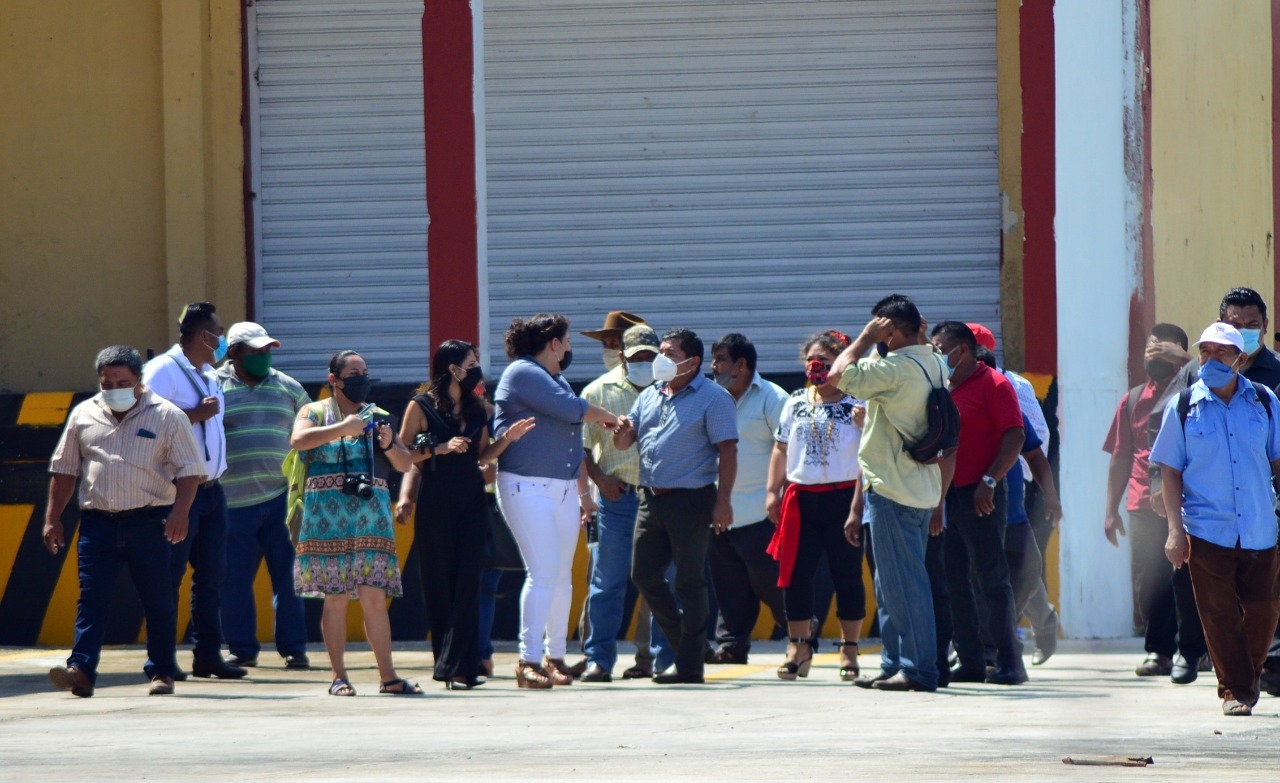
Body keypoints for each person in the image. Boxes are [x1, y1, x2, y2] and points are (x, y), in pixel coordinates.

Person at [45, 346, 205, 697]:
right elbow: (64, 470)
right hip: (98, 524)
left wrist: (180, 513)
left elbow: (191, 471)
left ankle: (162, 671)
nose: (115, 388)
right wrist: (52, 518)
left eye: (123, 382)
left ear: (139, 380)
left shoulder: (167, 415)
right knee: (92, 599)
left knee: (158, 599)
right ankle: (81, 670)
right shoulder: (83, 414)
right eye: (107, 383)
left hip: (150, 522)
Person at [1149, 287, 1279, 683]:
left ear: (1242, 356)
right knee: (1214, 609)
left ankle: (1255, 669)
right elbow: (1168, 456)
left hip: (1260, 521)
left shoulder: (1268, 394)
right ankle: (1230, 683)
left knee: (1262, 608)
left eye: (1222, 352)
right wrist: (1173, 525)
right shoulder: (1188, 393)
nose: (1211, 359)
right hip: (1206, 523)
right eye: (1205, 351)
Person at [395, 340, 534, 690]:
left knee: (469, 582)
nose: (476, 367)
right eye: (471, 362)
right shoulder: (421, 404)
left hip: (471, 498)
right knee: (440, 582)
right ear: (453, 369)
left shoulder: (476, 408)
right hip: (436, 497)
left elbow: (485, 455)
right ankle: (447, 664)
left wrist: (509, 439)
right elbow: (401, 453)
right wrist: (439, 448)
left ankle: (464, 667)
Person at [493, 314, 622, 689]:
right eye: (566, 341)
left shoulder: (557, 380)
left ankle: (555, 658)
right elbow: (573, 411)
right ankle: (528, 660)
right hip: (525, 486)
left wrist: (584, 495)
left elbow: (573, 444)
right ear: (553, 343)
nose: (569, 348)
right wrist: (609, 419)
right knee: (544, 572)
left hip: (563, 489)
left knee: (561, 578)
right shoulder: (523, 372)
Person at [831, 294, 948, 692]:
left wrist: (864, 338)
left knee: (904, 584)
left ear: (890, 331)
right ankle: (894, 662)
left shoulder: (895, 368)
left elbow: (836, 375)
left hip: (893, 487)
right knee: (890, 582)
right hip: (917, 486)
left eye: (882, 330)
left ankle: (918, 669)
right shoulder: (934, 360)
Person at [290, 350, 420, 696]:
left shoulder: (376, 415)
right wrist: (343, 429)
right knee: (334, 596)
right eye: (353, 372)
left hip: (370, 516)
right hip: (326, 517)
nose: (361, 377)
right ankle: (338, 676)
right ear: (334, 379)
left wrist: (390, 444)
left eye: (365, 371)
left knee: (374, 597)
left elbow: (405, 464)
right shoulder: (314, 412)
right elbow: (298, 440)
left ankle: (388, 677)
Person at [613, 328, 738, 684]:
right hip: (650, 497)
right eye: (660, 352)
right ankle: (689, 645)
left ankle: (689, 665)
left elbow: (728, 451)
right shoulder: (651, 394)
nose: (660, 360)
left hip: (692, 500)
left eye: (669, 353)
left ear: (693, 361)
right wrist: (621, 431)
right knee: (644, 574)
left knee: (689, 581)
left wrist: (723, 503)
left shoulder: (714, 398)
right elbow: (625, 442)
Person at [141, 302, 244, 680]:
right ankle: (161, 663)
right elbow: (142, 422)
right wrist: (193, 415)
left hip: (213, 492)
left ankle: (207, 656)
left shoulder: (208, 373)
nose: (222, 338)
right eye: (218, 331)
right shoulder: (163, 371)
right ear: (204, 336)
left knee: (212, 578)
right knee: (169, 578)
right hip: (178, 493)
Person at [1102, 323, 1203, 680]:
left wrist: (1187, 360)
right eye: (1149, 352)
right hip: (1142, 503)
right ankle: (1158, 651)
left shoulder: (1197, 391)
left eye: (1163, 352)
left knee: (1189, 579)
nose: (1154, 359)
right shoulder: (1132, 399)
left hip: (1187, 502)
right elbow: (1119, 457)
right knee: (1149, 582)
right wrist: (1110, 510)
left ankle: (1192, 651)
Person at [766, 330, 866, 681]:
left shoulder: (859, 402)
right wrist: (772, 491)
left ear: (841, 363)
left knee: (847, 575)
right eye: (812, 359)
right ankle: (798, 646)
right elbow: (780, 448)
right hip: (802, 498)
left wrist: (867, 425)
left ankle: (848, 651)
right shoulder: (795, 401)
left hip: (844, 499)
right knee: (794, 575)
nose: (817, 366)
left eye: (825, 360)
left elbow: (873, 454)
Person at [930, 321, 1026, 685]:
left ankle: (1009, 663)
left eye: (941, 349)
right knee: (954, 580)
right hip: (945, 497)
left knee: (991, 579)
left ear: (963, 351)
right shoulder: (940, 387)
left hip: (981, 494)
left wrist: (990, 480)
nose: (937, 356)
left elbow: (1015, 435)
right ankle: (970, 660)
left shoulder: (995, 385)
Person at [580, 324, 678, 682]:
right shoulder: (597, 392)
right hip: (617, 498)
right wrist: (599, 480)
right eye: (637, 358)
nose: (644, 363)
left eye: (650, 358)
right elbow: (583, 448)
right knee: (607, 583)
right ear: (622, 357)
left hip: (661, 499)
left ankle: (665, 658)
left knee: (663, 583)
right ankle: (599, 660)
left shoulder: (670, 391)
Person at [216, 322, 312, 670]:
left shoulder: (289, 388)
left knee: (290, 579)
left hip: (282, 499)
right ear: (234, 353)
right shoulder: (212, 387)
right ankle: (241, 648)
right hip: (230, 501)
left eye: (267, 350)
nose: (263, 357)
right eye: (255, 352)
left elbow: (311, 434)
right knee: (234, 580)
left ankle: (294, 647)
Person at [972, 346, 1064, 666]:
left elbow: (1035, 448)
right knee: (988, 581)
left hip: (1011, 507)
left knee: (1023, 571)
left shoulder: (1011, 399)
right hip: (970, 512)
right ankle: (995, 647)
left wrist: (1046, 494)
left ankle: (1005, 639)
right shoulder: (955, 404)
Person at [706, 333, 789, 666]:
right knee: (729, 587)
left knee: (770, 582)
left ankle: (801, 632)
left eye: (721, 360)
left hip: (760, 511)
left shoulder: (773, 398)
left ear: (741, 365)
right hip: (719, 511)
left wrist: (779, 495)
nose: (714, 367)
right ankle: (732, 645)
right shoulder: (711, 398)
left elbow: (788, 450)